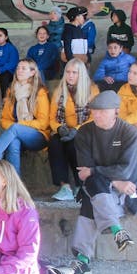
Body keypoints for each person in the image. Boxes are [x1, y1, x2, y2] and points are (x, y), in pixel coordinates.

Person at [69, 91, 137, 274]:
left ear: (116, 111)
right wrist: (114, 181)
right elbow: (84, 170)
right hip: (104, 186)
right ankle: (117, 230)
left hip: (127, 191)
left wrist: (98, 172)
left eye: (103, 111)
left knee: (92, 194)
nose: (97, 115)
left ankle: (83, 259)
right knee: (92, 188)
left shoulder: (129, 132)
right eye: (94, 111)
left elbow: (125, 171)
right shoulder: (84, 132)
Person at [0, 59, 49, 176]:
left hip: (38, 136)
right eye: (18, 68)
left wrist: (19, 125)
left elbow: (43, 123)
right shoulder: (11, 91)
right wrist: (15, 127)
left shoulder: (40, 92)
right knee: (13, 143)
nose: (19, 70)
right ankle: (15, 182)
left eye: (23, 68)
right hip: (16, 134)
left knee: (15, 128)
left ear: (33, 72)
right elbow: (4, 120)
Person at [48, 59, 98, 202]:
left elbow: (94, 117)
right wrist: (59, 127)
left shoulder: (92, 90)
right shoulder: (59, 91)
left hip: (85, 130)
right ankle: (64, 186)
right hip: (64, 128)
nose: (70, 75)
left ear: (81, 74)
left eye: (74, 73)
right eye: (68, 72)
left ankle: (79, 184)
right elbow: (52, 118)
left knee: (73, 144)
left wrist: (76, 129)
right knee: (54, 143)